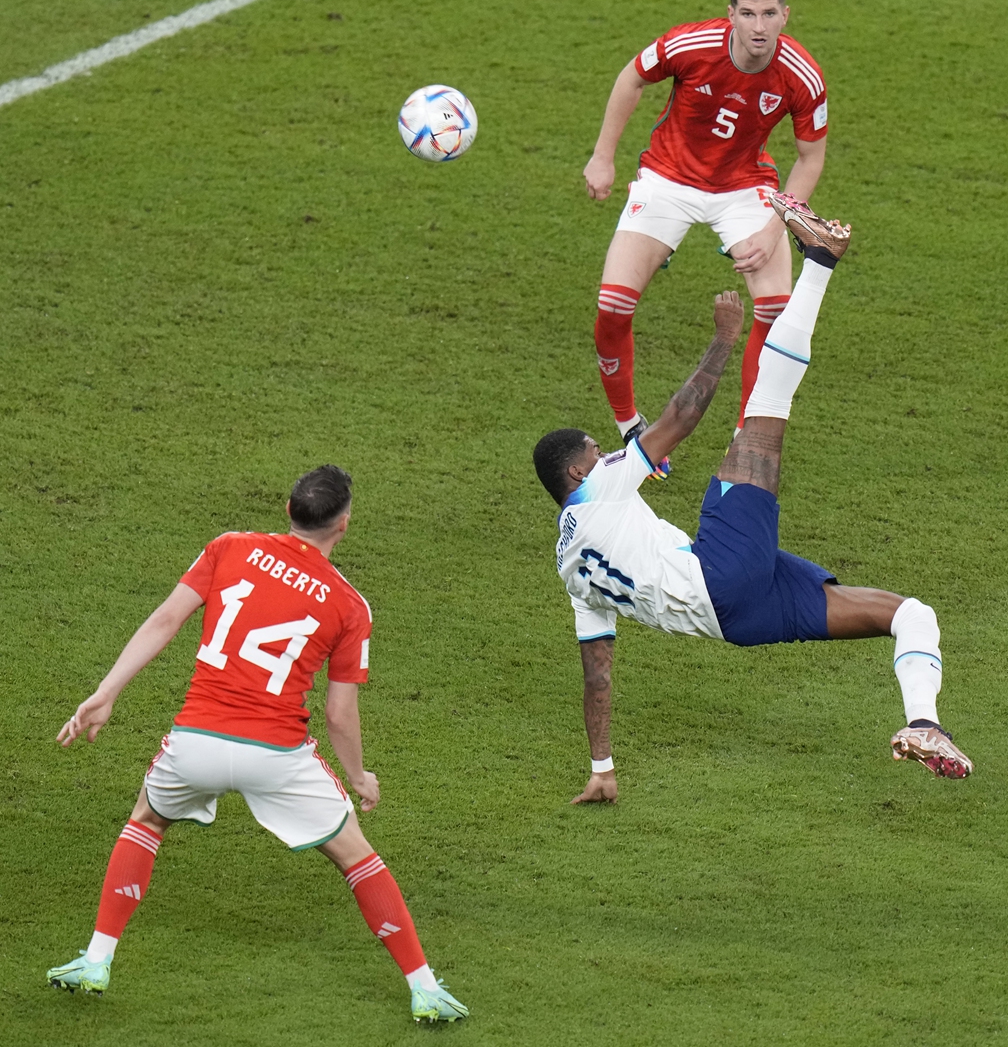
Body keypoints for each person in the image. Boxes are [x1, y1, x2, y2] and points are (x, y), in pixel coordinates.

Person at [534, 194, 972, 803]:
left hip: (734, 621)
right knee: (766, 405)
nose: (604, 450)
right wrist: (723, 339)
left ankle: (924, 724)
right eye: (594, 447)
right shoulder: (600, 485)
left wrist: (602, 765)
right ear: (579, 467)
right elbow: (680, 418)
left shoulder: (571, 574)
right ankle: (820, 259)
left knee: (909, 615)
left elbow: (597, 675)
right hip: (720, 571)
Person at [46, 464, 468, 1024]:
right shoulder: (349, 606)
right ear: (343, 524)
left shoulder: (229, 548)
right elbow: (339, 714)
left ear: (288, 510)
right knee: (356, 857)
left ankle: (96, 961)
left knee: (146, 822)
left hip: (194, 741)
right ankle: (423, 989)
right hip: (276, 756)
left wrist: (105, 693)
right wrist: (359, 776)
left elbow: (166, 619)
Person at [584, 0, 829, 474]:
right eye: (747, 13)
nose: (758, 26)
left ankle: (745, 436)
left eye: (768, 14)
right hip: (667, 179)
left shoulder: (802, 75)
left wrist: (774, 225)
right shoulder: (691, 45)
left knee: (776, 310)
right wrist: (603, 156)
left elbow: (810, 158)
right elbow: (632, 76)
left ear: (785, 15)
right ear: (731, 15)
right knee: (612, 307)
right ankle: (631, 427)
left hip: (745, 188)